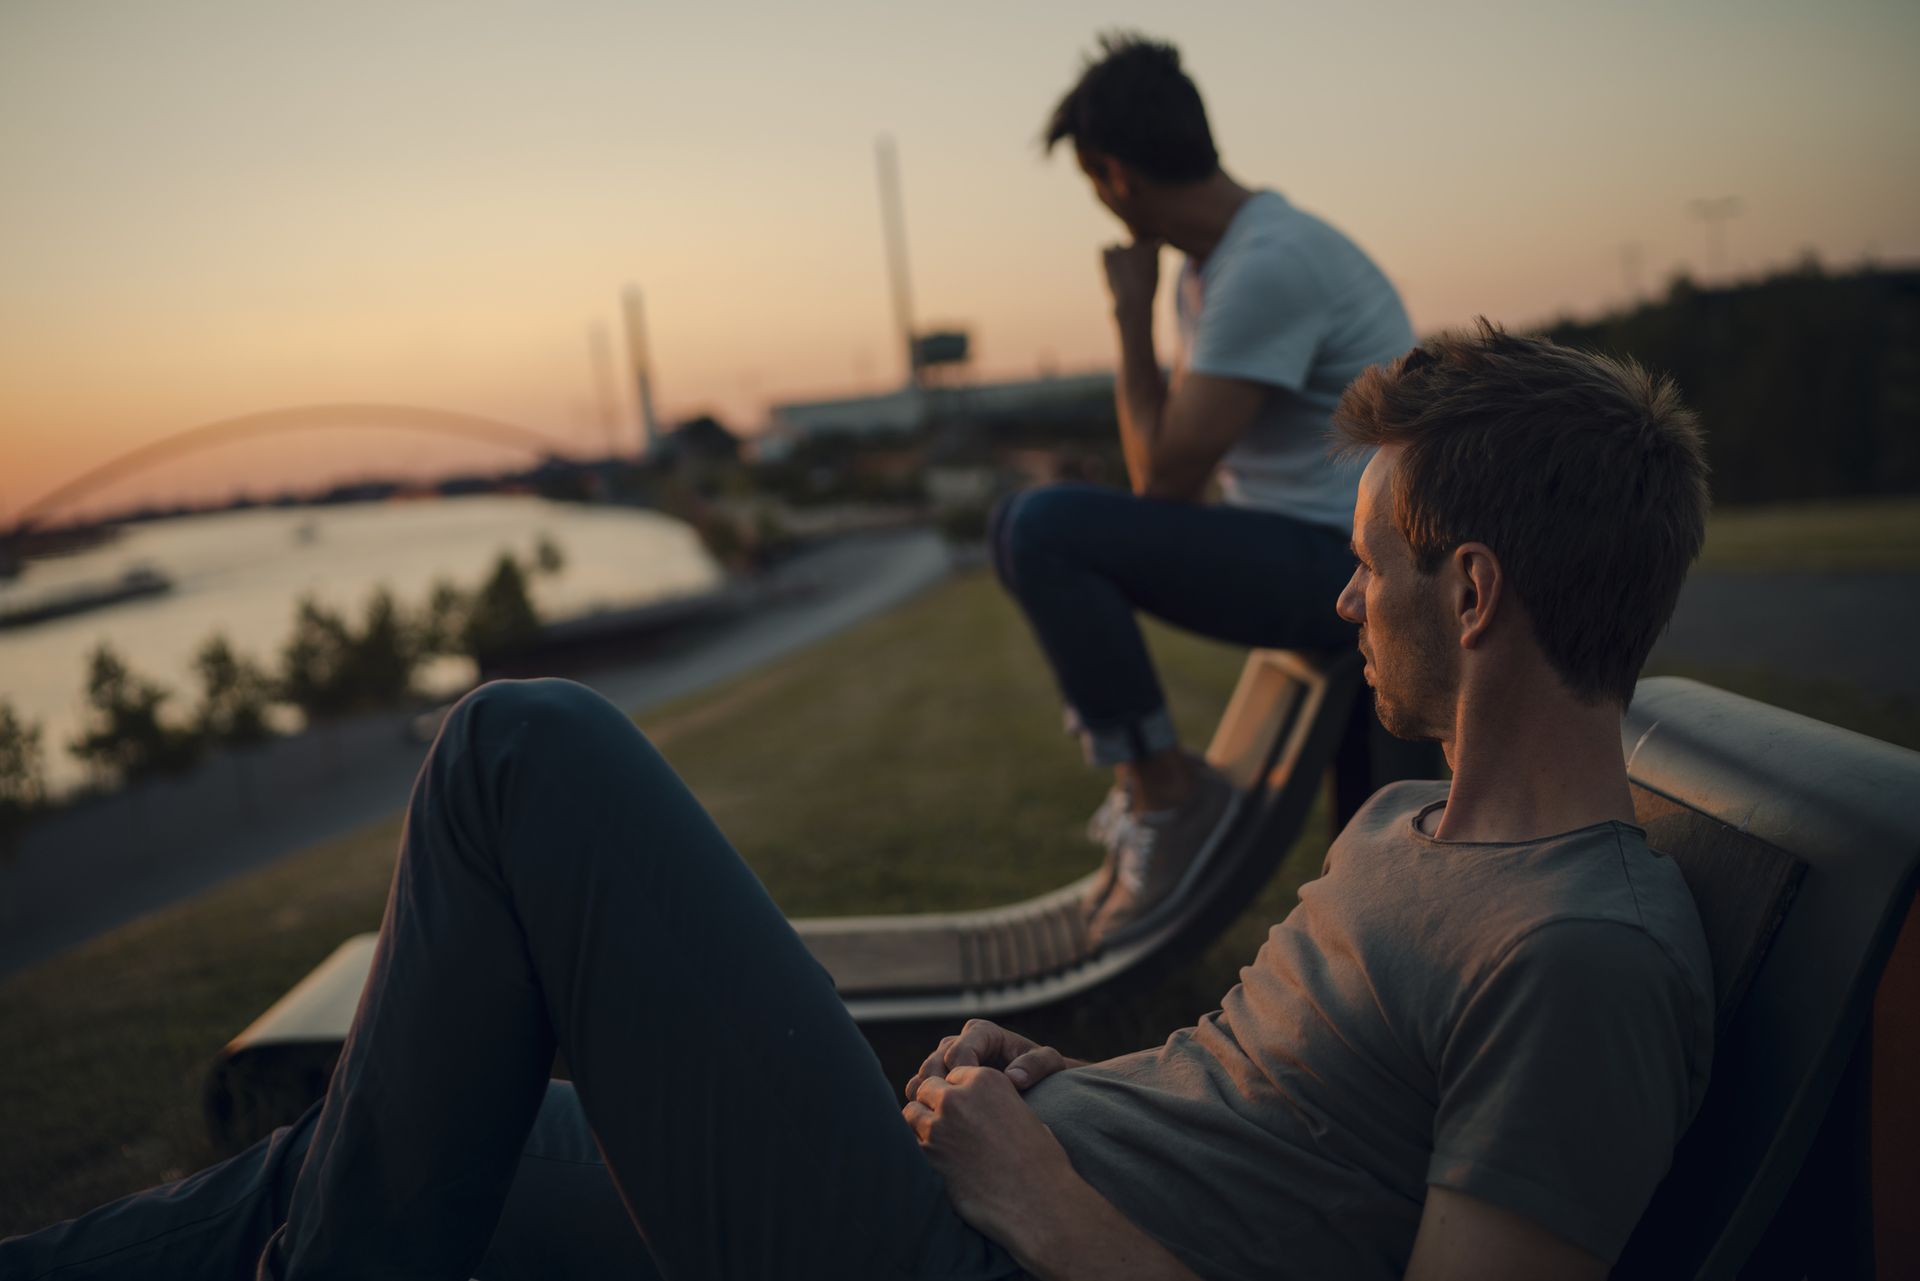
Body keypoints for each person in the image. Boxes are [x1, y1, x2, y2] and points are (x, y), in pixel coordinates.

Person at [2, 321, 1714, 1280]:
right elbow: (1264, 1125)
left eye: (1365, 566)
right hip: (969, 1189)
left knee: (522, 750)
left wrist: (1040, 1195)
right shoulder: (1402, 829)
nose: (1340, 600)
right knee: (399, 1143)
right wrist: (1064, 1084)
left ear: (1470, 593)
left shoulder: (1577, 956)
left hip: (972, 1257)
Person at [994, 33, 1428, 944]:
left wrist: (1126, 314)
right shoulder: (1220, 265)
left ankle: (1166, 790)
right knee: (1027, 527)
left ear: (1115, 176)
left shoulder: (1267, 264)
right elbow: (1171, 484)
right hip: (1321, 543)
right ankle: (1166, 792)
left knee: (1041, 527)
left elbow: (1160, 478)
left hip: (1358, 561)